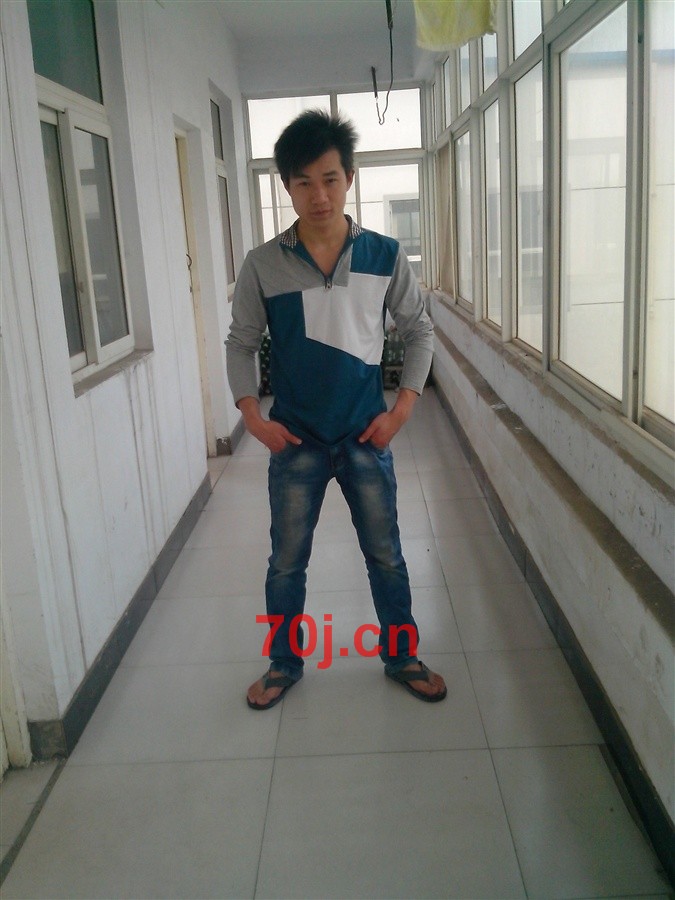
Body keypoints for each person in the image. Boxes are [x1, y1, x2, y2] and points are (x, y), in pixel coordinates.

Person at [226, 110, 446, 710]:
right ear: (287, 186)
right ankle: (283, 664)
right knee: (285, 563)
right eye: (303, 182)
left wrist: (401, 411)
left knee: (386, 557)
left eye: (329, 179)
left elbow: (419, 331)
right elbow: (240, 342)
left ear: (349, 178)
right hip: (295, 439)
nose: (318, 195)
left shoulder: (384, 253)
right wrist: (252, 417)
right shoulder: (263, 264)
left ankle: (402, 656)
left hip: (364, 436)